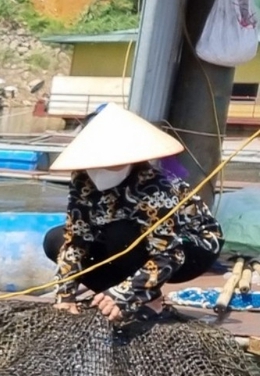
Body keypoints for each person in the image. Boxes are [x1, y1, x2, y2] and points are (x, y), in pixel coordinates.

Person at [43, 103, 223, 326]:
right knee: (55, 239)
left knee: (121, 232)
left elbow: (169, 254)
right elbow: (76, 239)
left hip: (188, 248)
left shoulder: (155, 187)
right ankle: (117, 294)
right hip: (125, 245)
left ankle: (150, 299)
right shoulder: (81, 178)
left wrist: (127, 293)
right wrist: (65, 294)